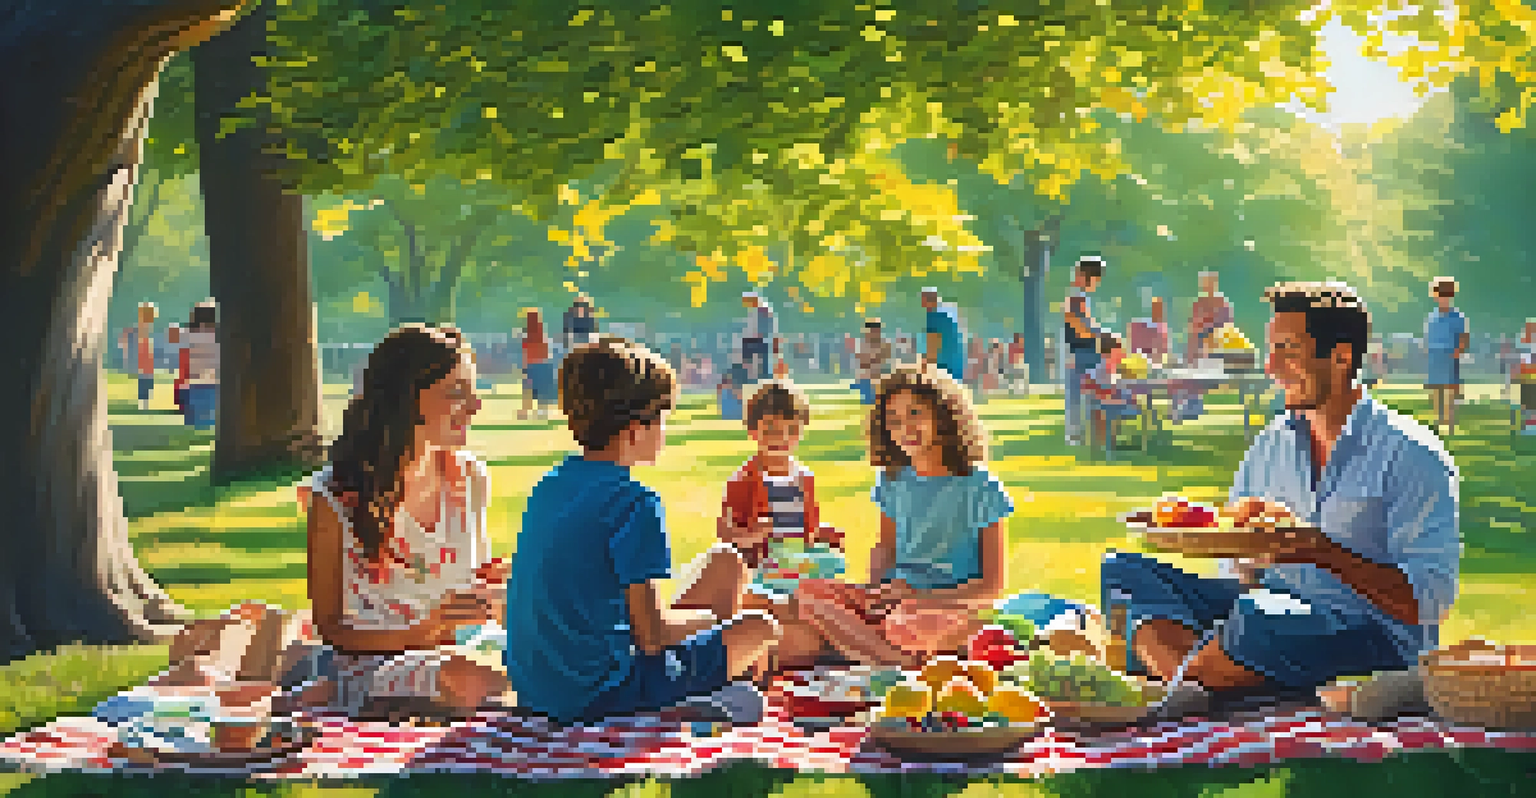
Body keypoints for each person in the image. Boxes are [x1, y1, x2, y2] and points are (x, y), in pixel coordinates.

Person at [1101, 282, 1460, 716]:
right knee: (1124, 572)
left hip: (1371, 635)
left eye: (1288, 351)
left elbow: (1428, 601)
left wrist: (1317, 550)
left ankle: (1178, 679)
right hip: (1276, 608)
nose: (1271, 367)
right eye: (1271, 350)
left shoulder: (1412, 454)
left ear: (1342, 357)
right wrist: (1252, 543)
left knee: (1255, 619)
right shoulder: (1271, 444)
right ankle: (1194, 680)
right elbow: (1238, 569)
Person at [505, 337, 781, 723]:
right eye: (663, 418)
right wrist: (716, 620)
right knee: (760, 628)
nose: (664, 430)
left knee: (726, 561)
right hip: (600, 692)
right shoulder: (634, 501)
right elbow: (650, 636)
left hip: (538, 689)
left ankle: (708, 681)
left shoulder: (549, 487)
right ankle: (693, 698)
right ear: (636, 429)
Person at [306, 324, 509, 717]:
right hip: (382, 663)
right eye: (456, 392)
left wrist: (498, 590)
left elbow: (471, 581)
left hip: (468, 647)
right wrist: (421, 633)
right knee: (471, 678)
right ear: (406, 399)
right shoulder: (336, 497)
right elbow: (331, 628)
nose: (475, 405)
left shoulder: (470, 479)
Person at [796, 363, 1014, 668]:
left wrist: (918, 598)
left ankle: (886, 657)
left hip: (948, 605)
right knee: (807, 594)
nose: (904, 428)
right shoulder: (893, 479)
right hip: (895, 599)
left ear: (944, 415)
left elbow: (991, 586)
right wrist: (873, 591)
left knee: (905, 627)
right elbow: (886, 548)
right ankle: (888, 654)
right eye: (894, 420)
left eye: (915, 414)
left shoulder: (980, 486)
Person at [674, 381, 844, 668]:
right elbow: (725, 533)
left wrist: (821, 535)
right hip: (760, 570)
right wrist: (749, 537)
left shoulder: (804, 478)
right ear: (753, 431)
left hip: (797, 565)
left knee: (826, 599)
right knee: (790, 612)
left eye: (790, 431)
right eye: (771, 430)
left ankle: (813, 645)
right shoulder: (744, 480)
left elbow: (805, 523)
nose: (781, 438)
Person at [1062, 258, 1107, 445]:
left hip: (1086, 351)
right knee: (1077, 395)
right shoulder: (1076, 298)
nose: (1098, 282)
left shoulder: (1081, 298)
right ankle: (1075, 435)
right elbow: (1079, 327)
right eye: (1097, 277)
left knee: (1088, 393)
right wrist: (1100, 334)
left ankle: (1086, 433)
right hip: (1080, 352)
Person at [1424, 277, 1469, 436]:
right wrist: (1427, 348)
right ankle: (1438, 420)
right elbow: (1429, 335)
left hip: (1449, 354)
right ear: (1435, 296)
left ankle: (1449, 423)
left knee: (1449, 390)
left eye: (1446, 295)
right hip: (1434, 355)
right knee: (1436, 389)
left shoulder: (1457, 316)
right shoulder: (1432, 316)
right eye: (1439, 294)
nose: (1442, 298)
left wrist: (1459, 350)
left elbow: (1463, 336)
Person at [1082, 332, 1141, 453]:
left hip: (1107, 402)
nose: (1123, 353)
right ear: (1111, 351)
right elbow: (1100, 391)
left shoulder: (1110, 367)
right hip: (1104, 404)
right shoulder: (1104, 369)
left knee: (1134, 402)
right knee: (1139, 408)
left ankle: (1114, 443)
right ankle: (1113, 445)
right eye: (1119, 349)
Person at [182, 301, 220, 430]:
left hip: (195, 381)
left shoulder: (189, 336)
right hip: (213, 381)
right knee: (210, 417)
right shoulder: (217, 336)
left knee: (198, 418)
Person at [920, 287, 966, 384]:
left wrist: (925, 366)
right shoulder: (949, 311)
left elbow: (933, 345)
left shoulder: (933, 317)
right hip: (957, 362)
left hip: (943, 365)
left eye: (923, 301)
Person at [519, 308, 556, 420]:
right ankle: (542, 411)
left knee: (527, 390)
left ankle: (525, 412)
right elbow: (546, 352)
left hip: (530, 365)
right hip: (543, 365)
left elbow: (525, 352)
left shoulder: (526, 336)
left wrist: (524, 366)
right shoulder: (543, 335)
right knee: (542, 390)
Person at [741, 292, 779, 382]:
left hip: (761, 339)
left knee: (763, 361)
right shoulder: (753, 310)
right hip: (753, 339)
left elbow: (769, 326)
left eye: (747, 301)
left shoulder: (764, 310)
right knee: (750, 360)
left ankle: (765, 378)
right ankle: (751, 377)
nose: (746, 303)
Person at [854, 318, 892, 405]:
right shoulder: (862, 345)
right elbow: (862, 362)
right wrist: (873, 359)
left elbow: (884, 360)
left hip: (880, 375)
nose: (873, 333)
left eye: (876, 330)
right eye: (871, 330)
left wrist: (873, 359)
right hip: (867, 376)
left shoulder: (885, 344)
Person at [1129, 297, 1171, 363]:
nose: (1158, 311)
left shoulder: (1163, 327)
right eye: (1156, 308)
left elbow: (1164, 348)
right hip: (1144, 356)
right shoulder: (1143, 325)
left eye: (1159, 308)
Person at [134, 302, 158, 411]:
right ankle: (144, 402)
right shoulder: (143, 327)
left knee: (147, 380)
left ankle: (145, 402)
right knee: (145, 380)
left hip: (147, 359)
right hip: (144, 358)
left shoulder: (147, 327)